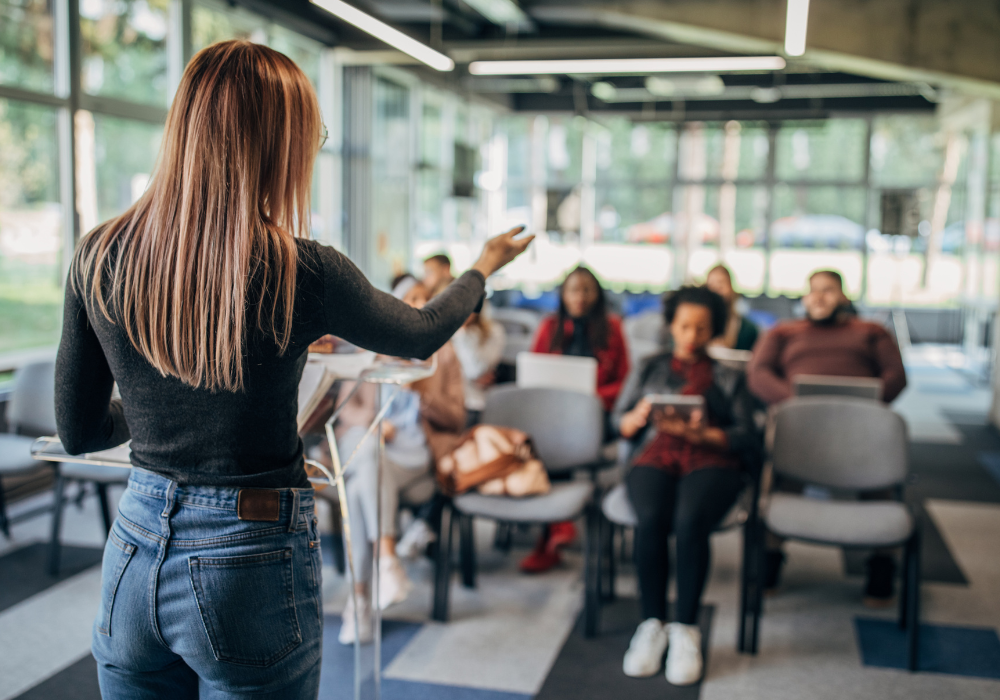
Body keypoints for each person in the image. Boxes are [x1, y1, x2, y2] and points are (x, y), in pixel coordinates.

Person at [54, 40, 532, 699]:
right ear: (276, 141)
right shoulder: (301, 269)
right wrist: (482, 267)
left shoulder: (98, 254)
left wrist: (150, 412)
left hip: (133, 546)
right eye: (312, 134)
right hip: (245, 553)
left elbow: (78, 432)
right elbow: (421, 335)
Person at [612, 286, 760, 685]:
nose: (691, 336)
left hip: (711, 458)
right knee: (650, 517)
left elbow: (747, 436)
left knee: (690, 520)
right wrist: (639, 417)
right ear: (671, 326)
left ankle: (686, 628)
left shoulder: (729, 375)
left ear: (713, 330)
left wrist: (705, 435)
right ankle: (652, 622)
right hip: (654, 453)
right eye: (684, 327)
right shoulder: (648, 366)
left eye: (701, 328)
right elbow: (619, 423)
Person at [746, 269, 907, 605]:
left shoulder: (871, 331)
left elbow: (896, 375)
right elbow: (757, 373)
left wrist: (869, 404)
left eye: (828, 290)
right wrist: (794, 404)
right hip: (799, 425)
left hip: (859, 426)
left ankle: (882, 561)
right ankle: (772, 556)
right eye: (813, 291)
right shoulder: (784, 332)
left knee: (880, 473)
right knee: (783, 474)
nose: (819, 297)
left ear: (844, 297)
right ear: (804, 298)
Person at [334, 277, 466, 644]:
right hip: (370, 450)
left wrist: (424, 395)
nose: (414, 307)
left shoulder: (443, 355)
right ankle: (386, 561)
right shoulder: (370, 350)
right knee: (366, 460)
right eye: (408, 300)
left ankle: (359, 600)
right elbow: (347, 412)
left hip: (413, 457)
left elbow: (457, 419)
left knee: (363, 483)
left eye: (422, 300)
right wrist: (377, 424)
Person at [521, 266, 631, 573]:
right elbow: (534, 374)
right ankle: (556, 528)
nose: (579, 297)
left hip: (597, 415)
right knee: (542, 438)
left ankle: (554, 531)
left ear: (596, 295)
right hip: (552, 416)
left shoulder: (612, 328)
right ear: (563, 295)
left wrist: (590, 396)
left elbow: (625, 382)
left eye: (586, 290)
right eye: (573, 290)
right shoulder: (550, 327)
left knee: (558, 440)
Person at [451, 304, 506, 427]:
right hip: (450, 400)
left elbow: (475, 371)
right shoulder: (444, 332)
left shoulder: (494, 332)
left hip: (475, 401)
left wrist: (461, 334)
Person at [705, 264, 759, 351]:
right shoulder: (698, 326)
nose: (716, 290)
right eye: (711, 286)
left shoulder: (748, 330)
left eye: (721, 285)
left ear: (731, 288)